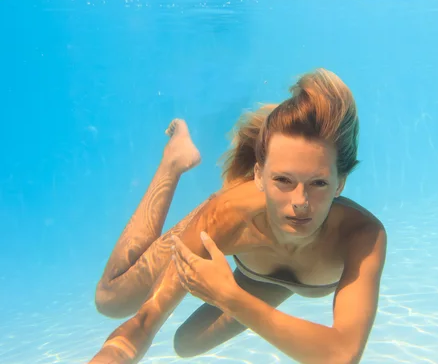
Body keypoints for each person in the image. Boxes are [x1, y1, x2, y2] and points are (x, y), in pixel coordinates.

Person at [90, 68, 387, 364]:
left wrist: (228, 294)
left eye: (318, 183)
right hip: (227, 219)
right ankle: (174, 160)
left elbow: (343, 354)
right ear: (258, 175)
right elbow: (144, 323)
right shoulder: (227, 216)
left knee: (187, 344)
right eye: (283, 180)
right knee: (112, 300)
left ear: (341, 184)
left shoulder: (362, 236)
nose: (300, 203)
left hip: (254, 286)